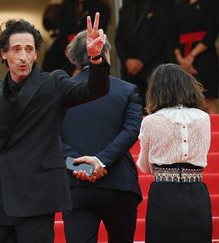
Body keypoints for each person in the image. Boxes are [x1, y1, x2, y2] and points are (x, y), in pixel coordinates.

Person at [0, 14, 109, 242]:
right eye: (16, 49)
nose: (23, 57)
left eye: (29, 49)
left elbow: (93, 90)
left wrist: (96, 58)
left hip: (39, 195)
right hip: (4, 198)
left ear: (36, 54)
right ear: (3, 53)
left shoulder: (53, 83)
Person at [60, 30, 143, 243]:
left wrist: (80, 165)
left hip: (75, 185)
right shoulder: (127, 89)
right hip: (118, 184)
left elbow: (50, 136)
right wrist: (100, 161)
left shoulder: (58, 91)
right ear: (104, 54)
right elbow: (132, 129)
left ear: (74, 59)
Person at [137, 63, 212, 243]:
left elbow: (144, 166)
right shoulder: (203, 118)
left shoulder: (151, 121)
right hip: (197, 192)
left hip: (163, 193)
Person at [115, 0, 170, 109]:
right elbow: (119, 39)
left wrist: (141, 61)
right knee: (131, 114)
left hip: (153, 71)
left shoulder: (163, 4)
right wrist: (127, 60)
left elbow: (161, 36)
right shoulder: (126, 6)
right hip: (129, 74)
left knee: (155, 112)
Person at [170, 0, 219, 113]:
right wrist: (181, 59)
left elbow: (211, 33)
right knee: (184, 102)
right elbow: (171, 34)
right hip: (181, 58)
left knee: (208, 100)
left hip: (204, 56)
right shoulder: (179, 6)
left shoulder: (211, 3)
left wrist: (191, 56)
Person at [42, 0, 110, 75]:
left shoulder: (101, 7)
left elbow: (98, 36)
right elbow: (62, 31)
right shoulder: (66, 5)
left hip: (88, 50)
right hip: (66, 49)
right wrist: (68, 48)